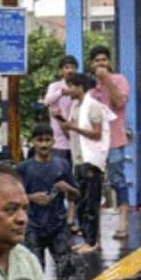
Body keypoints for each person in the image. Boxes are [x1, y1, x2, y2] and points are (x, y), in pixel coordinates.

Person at [17, 125, 79, 280]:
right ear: (32, 143)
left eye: (47, 140)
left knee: (66, 265)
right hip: (32, 226)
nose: (44, 145)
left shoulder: (62, 165)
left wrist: (68, 188)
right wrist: (30, 198)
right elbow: (12, 198)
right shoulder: (23, 168)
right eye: (39, 140)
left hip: (57, 224)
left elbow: (76, 194)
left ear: (53, 141)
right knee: (35, 268)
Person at [57, 73, 113, 254]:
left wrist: (73, 127)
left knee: (91, 203)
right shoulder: (75, 106)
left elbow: (96, 134)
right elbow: (72, 133)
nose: (68, 90)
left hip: (92, 160)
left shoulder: (94, 107)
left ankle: (92, 241)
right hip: (79, 159)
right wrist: (63, 122)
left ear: (81, 87)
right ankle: (87, 239)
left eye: (71, 86)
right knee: (81, 202)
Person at [87, 46, 131, 241]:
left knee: (117, 179)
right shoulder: (88, 85)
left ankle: (123, 221)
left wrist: (106, 80)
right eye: (97, 60)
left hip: (114, 139)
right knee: (92, 182)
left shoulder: (119, 80)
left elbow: (119, 102)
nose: (101, 63)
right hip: (93, 141)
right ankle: (93, 226)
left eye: (104, 59)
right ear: (91, 65)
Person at [43, 55, 79, 232]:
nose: (69, 70)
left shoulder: (80, 87)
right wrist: (62, 92)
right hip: (59, 142)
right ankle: (56, 217)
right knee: (57, 180)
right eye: (66, 67)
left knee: (74, 181)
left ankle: (71, 219)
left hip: (78, 141)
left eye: (72, 67)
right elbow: (46, 101)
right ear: (61, 70)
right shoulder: (55, 87)